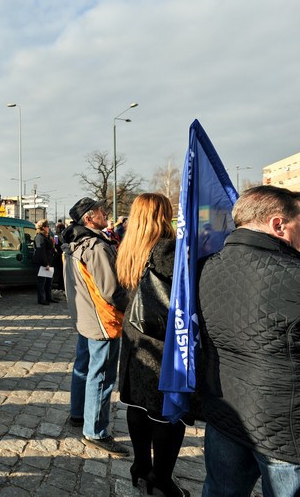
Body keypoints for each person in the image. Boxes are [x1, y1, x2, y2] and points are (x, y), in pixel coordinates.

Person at [198, 185, 300, 496]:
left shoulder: (205, 267)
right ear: (278, 224)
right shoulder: (293, 274)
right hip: (283, 427)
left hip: (226, 411)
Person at [116, 193, 189, 496]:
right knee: (166, 411)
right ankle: (161, 476)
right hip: (161, 338)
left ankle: (141, 465)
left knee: (137, 403)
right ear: (162, 215)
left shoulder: (129, 247)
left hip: (135, 335)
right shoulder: (167, 250)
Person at [62, 197, 129, 457]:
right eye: (101, 211)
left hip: (86, 316)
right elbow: (111, 290)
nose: (106, 213)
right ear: (88, 218)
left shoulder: (73, 243)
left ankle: (78, 414)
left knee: (83, 368)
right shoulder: (96, 246)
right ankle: (96, 431)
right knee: (101, 375)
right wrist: (130, 304)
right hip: (102, 318)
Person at [33, 219, 57, 305]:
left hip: (49, 262)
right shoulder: (39, 237)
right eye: (47, 226)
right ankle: (41, 299)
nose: (48, 228)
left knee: (49, 281)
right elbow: (41, 252)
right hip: (43, 263)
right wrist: (45, 263)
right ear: (43, 227)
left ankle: (49, 297)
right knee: (42, 282)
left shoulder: (46, 236)